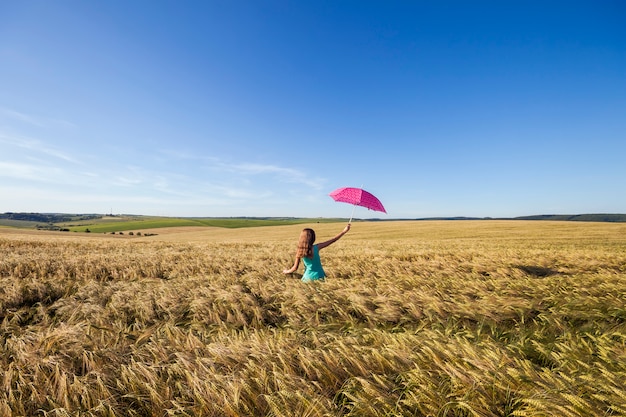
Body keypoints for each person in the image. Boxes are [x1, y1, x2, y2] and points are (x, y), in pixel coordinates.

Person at [283, 224, 351, 282]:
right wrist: (344, 231)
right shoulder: (316, 247)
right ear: (312, 238)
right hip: (320, 276)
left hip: (307, 278)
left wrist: (286, 271)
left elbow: (295, 268)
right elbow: (333, 240)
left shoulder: (300, 251)